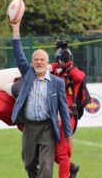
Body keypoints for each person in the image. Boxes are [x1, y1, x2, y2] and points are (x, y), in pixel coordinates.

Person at [10, 20, 73, 178]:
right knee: (29, 164)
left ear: (47, 62)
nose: (39, 62)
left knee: (46, 167)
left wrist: (68, 133)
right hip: (29, 127)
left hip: (47, 128)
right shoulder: (28, 73)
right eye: (36, 59)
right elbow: (18, 55)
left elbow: (63, 109)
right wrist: (16, 30)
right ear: (32, 62)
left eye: (42, 59)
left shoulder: (57, 83)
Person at [50, 40, 85, 178]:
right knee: (50, 152)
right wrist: (57, 65)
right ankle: (72, 167)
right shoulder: (53, 70)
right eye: (61, 60)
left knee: (62, 152)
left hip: (67, 116)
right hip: (53, 116)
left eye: (65, 60)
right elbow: (45, 68)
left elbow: (80, 76)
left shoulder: (74, 73)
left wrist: (68, 66)